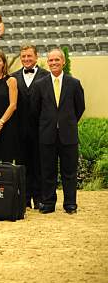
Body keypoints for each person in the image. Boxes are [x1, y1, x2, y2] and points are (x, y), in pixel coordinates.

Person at [31, 49, 85, 214]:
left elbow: (80, 108)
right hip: (47, 135)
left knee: (69, 172)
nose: (53, 63)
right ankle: (48, 203)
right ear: (47, 62)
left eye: (57, 60)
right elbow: (35, 110)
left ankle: (70, 204)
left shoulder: (74, 83)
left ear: (64, 62)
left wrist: (66, 123)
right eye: (51, 60)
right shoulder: (40, 84)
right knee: (48, 171)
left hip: (68, 135)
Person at [11, 45, 49, 209]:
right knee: (21, 165)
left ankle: (39, 198)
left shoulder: (46, 76)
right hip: (19, 130)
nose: (26, 59)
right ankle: (24, 198)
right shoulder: (12, 77)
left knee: (38, 165)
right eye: (23, 56)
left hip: (40, 129)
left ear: (36, 56)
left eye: (29, 56)